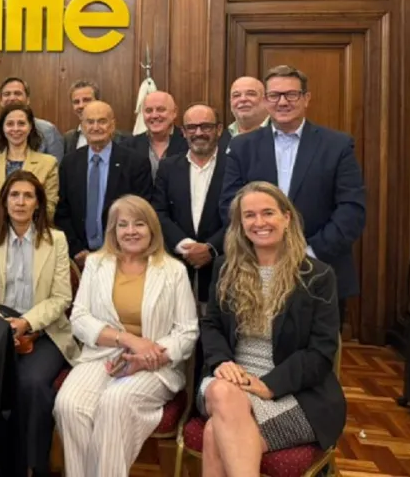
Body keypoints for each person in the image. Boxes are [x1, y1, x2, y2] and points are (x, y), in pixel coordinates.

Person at [199, 181, 344, 476]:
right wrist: (221, 362)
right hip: (229, 378)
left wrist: (270, 385)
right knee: (223, 393)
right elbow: (211, 324)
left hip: (295, 392)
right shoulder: (225, 269)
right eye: (249, 215)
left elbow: (321, 352)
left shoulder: (317, 276)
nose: (259, 222)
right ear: (240, 224)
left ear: (286, 218)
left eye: (268, 213)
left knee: (215, 432)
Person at [54, 195, 198, 477]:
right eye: (123, 225)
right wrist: (129, 340)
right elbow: (79, 319)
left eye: (139, 224)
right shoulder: (96, 264)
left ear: (152, 229)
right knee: (69, 405)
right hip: (103, 356)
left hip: (155, 364)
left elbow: (187, 331)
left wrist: (146, 356)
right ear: (113, 230)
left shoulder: (174, 271)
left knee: (115, 401)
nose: (131, 231)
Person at [220, 64, 365, 322]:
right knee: (257, 343)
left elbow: (351, 209)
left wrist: (307, 254)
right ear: (266, 101)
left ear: (306, 98)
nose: (282, 102)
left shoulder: (337, 145)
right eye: (275, 95)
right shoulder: (242, 146)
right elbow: (230, 205)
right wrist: (262, 250)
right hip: (255, 269)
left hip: (319, 267)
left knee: (320, 346)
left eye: (291, 94)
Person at [0, 170, 77, 477]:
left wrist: (26, 322)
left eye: (28, 195)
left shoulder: (55, 240)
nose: (20, 201)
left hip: (44, 333)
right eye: (14, 195)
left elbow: (61, 297)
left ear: (38, 203)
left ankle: (32, 467)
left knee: (31, 384)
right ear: (4, 201)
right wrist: (4, 325)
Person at [55, 101, 152, 264]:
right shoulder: (70, 163)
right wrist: (76, 249)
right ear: (82, 126)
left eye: (102, 121)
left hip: (123, 254)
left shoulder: (135, 163)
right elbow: (62, 212)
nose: (96, 127)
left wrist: (117, 250)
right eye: (90, 122)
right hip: (79, 256)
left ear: (112, 125)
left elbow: (141, 212)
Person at [151, 103, 226, 305]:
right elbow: (158, 211)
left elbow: (239, 215)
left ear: (219, 129)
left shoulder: (233, 166)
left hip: (223, 268)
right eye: (192, 127)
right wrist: (184, 245)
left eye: (206, 126)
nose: (198, 133)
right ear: (183, 132)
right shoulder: (168, 167)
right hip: (177, 265)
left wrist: (211, 248)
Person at [0, 102, 58, 229]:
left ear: (30, 127)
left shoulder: (48, 163)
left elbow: (49, 205)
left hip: (35, 233)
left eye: (21, 123)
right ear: (2, 128)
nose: (15, 129)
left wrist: (24, 229)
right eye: (10, 124)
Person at [0, 77, 65, 161]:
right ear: (1, 101)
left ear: (28, 99)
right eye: (7, 94)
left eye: (17, 93)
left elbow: (57, 165)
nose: (12, 98)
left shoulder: (48, 130)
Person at [126, 91, 188, 180]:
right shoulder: (128, 146)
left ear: (174, 112)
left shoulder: (188, 143)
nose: (154, 115)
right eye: (148, 110)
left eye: (161, 109)